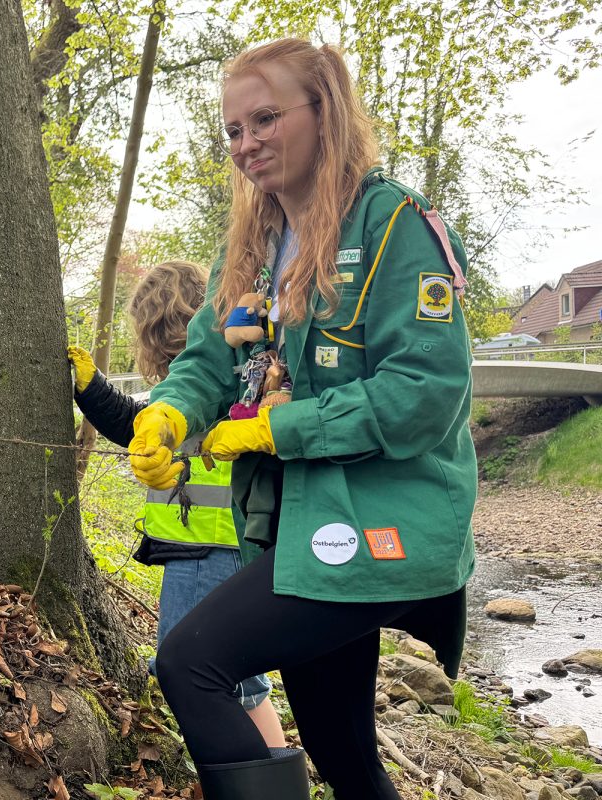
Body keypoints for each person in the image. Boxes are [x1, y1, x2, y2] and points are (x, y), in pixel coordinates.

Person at [125, 39, 476, 800]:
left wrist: (280, 429)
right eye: (233, 130)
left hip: (382, 521)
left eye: (265, 119)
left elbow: (427, 389)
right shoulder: (247, 248)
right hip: (296, 526)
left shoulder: (393, 226)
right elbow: (208, 364)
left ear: (325, 114)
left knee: (192, 664)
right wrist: (171, 418)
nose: (246, 143)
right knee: (339, 745)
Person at [68, 261, 286, 750]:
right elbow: (138, 422)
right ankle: (269, 774)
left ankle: (248, 777)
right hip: (212, 547)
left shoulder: (221, 384)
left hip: (212, 549)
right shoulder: (218, 378)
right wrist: (93, 390)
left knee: (190, 669)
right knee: (238, 682)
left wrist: (91, 390)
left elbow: (135, 421)